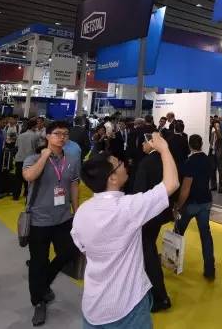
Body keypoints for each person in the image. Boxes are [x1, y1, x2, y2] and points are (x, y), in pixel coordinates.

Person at [71, 132, 179, 328]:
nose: (124, 164)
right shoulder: (128, 208)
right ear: (112, 178)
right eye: (119, 164)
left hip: (93, 307)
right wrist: (163, 148)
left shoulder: (82, 212)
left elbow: (83, 247)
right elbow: (171, 184)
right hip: (128, 308)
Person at [22, 121, 81, 326]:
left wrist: (76, 210)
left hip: (63, 218)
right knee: (38, 261)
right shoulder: (33, 158)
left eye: (65, 134)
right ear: (47, 136)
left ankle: (43, 282)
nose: (62, 137)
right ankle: (38, 301)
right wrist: (44, 156)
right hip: (39, 220)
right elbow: (29, 176)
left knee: (68, 252)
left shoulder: (71, 160)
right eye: (57, 133)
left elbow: (74, 184)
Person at [132, 133, 177, 313]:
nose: (141, 146)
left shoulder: (146, 163)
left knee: (148, 252)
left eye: (143, 142)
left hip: (147, 215)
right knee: (148, 247)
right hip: (160, 213)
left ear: (151, 143)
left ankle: (160, 296)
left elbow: (139, 192)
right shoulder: (166, 160)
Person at [173, 134, 215, 280]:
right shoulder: (208, 160)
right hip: (206, 201)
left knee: (178, 232)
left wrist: (178, 206)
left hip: (191, 203)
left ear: (190, 146)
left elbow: (186, 188)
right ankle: (210, 270)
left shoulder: (189, 162)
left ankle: (172, 259)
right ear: (201, 144)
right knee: (206, 235)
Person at [13, 119, 39, 201]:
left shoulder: (20, 135)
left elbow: (16, 147)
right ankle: (27, 195)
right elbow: (37, 148)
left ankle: (15, 196)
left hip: (19, 159)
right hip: (29, 160)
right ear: (34, 126)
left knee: (18, 178)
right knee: (29, 179)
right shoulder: (35, 136)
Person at [210, 120, 222, 193]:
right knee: (212, 169)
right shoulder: (213, 132)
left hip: (219, 152)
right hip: (212, 152)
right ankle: (213, 186)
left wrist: (216, 129)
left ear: (219, 126)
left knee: (220, 170)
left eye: (217, 126)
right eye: (215, 126)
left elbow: (220, 137)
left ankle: (221, 187)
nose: (216, 127)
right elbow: (211, 141)